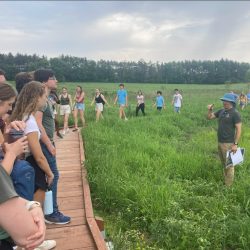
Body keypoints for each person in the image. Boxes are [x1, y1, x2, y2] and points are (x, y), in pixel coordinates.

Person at [0, 83, 56, 250]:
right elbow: (2, 180)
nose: (9, 110)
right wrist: (12, 153)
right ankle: (31, 240)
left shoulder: (13, 120)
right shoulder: (30, 121)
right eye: (9, 104)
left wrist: (7, 132)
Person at [34, 69, 71, 224]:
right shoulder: (41, 99)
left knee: (49, 177)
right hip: (44, 144)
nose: (56, 80)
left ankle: (47, 210)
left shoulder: (46, 98)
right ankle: (51, 212)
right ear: (44, 82)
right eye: (53, 78)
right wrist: (49, 144)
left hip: (46, 143)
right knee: (53, 175)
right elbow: (37, 123)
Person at [10, 81, 54, 205]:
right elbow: (39, 157)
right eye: (45, 97)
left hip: (20, 164)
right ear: (37, 97)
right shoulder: (30, 122)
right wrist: (50, 173)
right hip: (32, 166)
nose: (46, 100)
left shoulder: (20, 116)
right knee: (35, 207)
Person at [207, 93, 242, 187]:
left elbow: (239, 129)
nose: (224, 102)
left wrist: (235, 144)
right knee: (224, 164)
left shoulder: (235, 113)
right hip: (220, 142)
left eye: (226, 101)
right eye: (223, 100)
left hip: (229, 143)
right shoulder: (221, 111)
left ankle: (228, 187)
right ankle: (226, 181)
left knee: (229, 165)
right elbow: (209, 117)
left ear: (231, 102)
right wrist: (210, 110)